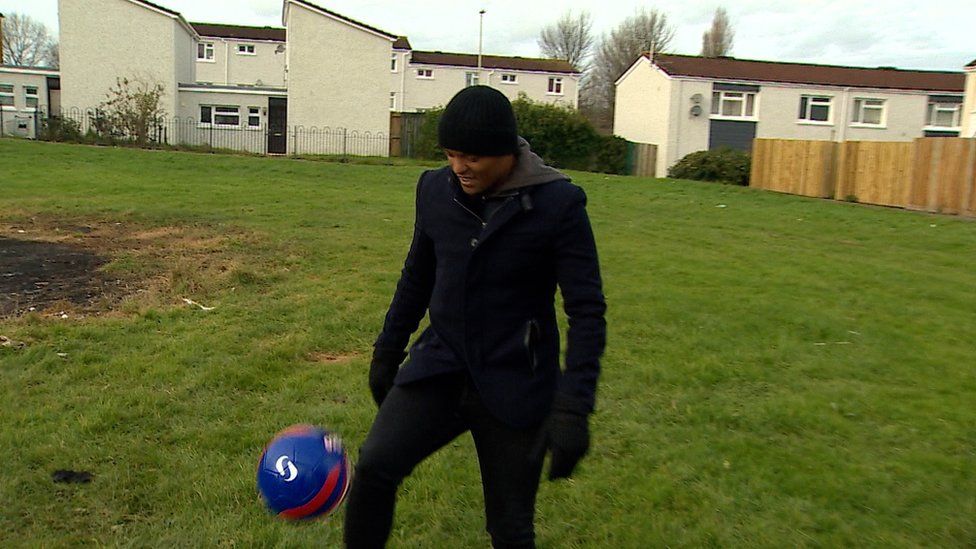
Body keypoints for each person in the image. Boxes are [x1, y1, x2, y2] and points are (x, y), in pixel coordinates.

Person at [343, 86, 607, 549]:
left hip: (516, 378)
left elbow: (586, 311)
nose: (458, 168)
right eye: (450, 155)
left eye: (471, 157)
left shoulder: (558, 205)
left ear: (506, 151)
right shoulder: (433, 189)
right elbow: (417, 275)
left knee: (509, 528)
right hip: (441, 363)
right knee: (374, 467)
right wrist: (388, 350)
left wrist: (573, 407)